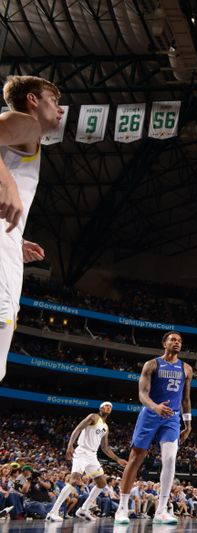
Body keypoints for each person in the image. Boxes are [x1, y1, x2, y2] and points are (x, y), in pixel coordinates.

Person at [0, 76, 63, 382]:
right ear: (33, 100)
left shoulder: (29, 137)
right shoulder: (26, 123)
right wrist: (7, 183)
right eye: (54, 100)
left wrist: (15, 238)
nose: (60, 109)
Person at [115, 331, 193, 525]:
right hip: (150, 414)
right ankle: (122, 507)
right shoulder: (152, 364)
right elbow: (142, 394)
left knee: (170, 458)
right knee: (136, 458)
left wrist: (188, 424)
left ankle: (162, 509)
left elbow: (186, 398)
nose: (177, 343)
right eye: (173, 340)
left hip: (172, 418)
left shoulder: (187, 369)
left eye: (179, 341)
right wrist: (155, 406)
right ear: (164, 343)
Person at [46, 402, 128, 521]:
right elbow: (78, 428)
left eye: (110, 407)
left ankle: (84, 509)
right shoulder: (93, 417)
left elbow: (105, 448)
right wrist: (70, 445)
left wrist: (118, 459)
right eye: (106, 406)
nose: (108, 408)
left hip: (92, 455)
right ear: (100, 408)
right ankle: (53, 512)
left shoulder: (105, 427)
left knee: (101, 483)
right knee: (74, 481)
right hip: (82, 452)